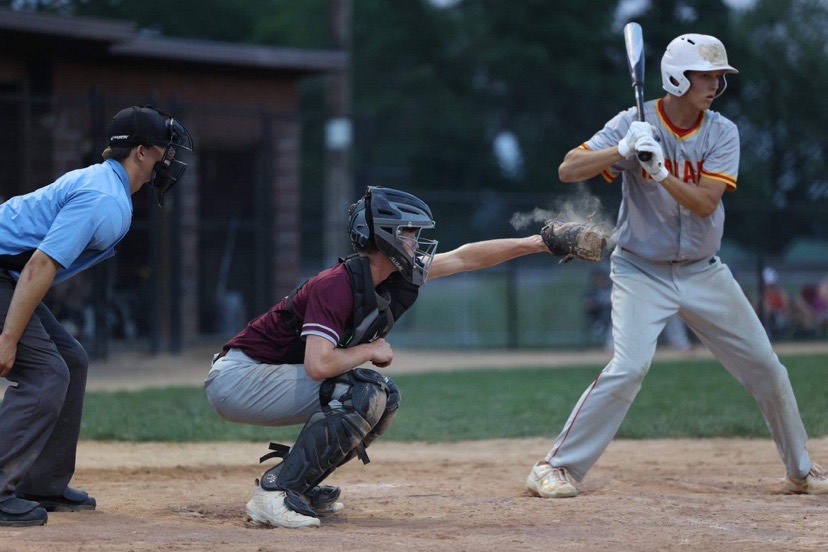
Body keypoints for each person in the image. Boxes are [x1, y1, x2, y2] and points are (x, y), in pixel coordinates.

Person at [526, 34, 827, 499]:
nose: (715, 85)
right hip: (640, 269)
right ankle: (555, 467)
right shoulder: (634, 120)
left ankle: (800, 470)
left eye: (718, 78)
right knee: (628, 368)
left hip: (704, 271)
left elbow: (707, 203)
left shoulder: (723, 131)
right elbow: (569, 168)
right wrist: (622, 151)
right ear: (675, 77)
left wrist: (661, 173)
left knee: (768, 368)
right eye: (705, 76)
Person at [206, 186, 554, 529]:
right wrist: (369, 350)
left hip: (268, 377)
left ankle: (300, 485)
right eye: (409, 232)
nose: (416, 242)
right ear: (385, 236)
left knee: (384, 397)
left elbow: (465, 257)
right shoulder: (335, 285)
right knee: (362, 393)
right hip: (239, 379)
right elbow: (318, 365)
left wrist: (539, 243)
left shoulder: (387, 277)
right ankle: (275, 492)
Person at [0, 105, 193, 527]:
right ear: (141, 152)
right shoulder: (103, 197)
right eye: (164, 150)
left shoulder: (109, 187)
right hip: (7, 273)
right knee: (47, 373)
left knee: (70, 360)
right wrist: (8, 338)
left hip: (7, 275)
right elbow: (40, 266)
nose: (170, 161)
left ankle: (42, 483)